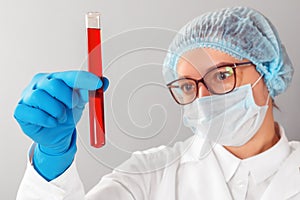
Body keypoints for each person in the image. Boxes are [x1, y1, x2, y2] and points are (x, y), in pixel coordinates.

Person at [14, 6, 300, 200]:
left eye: (222, 75)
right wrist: (51, 162)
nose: (203, 98)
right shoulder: (148, 173)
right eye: (188, 86)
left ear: (267, 72)